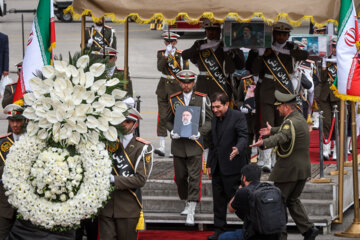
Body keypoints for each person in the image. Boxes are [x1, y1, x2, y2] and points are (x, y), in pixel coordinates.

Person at [250, 90, 319, 240]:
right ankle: (308, 229)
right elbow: (287, 131)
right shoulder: (298, 119)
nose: (277, 108)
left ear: (286, 107)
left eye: (279, 106)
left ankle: (280, 235)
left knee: (278, 203)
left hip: (289, 171)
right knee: (292, 200)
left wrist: (264, 143)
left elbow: (282, 136)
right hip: (302, 170)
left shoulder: (289, 123)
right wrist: (272, 130)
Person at [251, 21, 308, 172]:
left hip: (284, 91)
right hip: (267, 90)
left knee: (281, 124)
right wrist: (260, 54)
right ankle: (266, 159)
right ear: (273, 34)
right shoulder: (266, 47)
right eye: (278, 33)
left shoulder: (292, 48)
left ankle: (278, 157)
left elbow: (304, 55)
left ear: (288, 35)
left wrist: (284, 51)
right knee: (266, 123)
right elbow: (254, 70)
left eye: (285, 34)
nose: (281, 37)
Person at [99, 106, 153, 240]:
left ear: (135, 124)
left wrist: (114, 180)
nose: (123, 124)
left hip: (128, 208)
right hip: (107, 206)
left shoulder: (142, 147)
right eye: (121, 120)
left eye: (128, 122)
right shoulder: (106, 143)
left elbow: (140, 179)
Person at [167, 70, 212, 226]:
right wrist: (172, 131)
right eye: (184, 82)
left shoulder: (202, 98)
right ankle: (186, 200)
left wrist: (200, 132)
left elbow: (209, 121)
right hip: (179, 145)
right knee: (180, 177)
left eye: (189, 82)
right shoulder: (173, 99)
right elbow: (167, 120)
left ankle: (191, 209)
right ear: (180, 83)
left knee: (194, 177)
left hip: (195, 144)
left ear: (193, 83)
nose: (186, 85)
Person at [206, 92, 248, 240]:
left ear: (226, 104)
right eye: (213, 107)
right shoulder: (214, 119)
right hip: (217, 167)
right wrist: (209, 164)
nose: (215, 110)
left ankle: (252, 225)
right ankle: (219, 230)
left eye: (218, 107)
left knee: (237, 201)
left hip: (233, 167)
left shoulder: (237, 116)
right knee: (218, 202)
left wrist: (238, 148)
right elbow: (213, 143)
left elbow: (244, 136)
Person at [218, 164, 281, 240]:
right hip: (274, 235)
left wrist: (239, 190)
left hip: (253, 235)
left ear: (244, 178)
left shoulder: (244, 191)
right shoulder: (273, 189)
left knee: (223, 237)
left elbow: (230, 208)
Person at [182, 19, 235, 101]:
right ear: (205, 31)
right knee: (202, 109)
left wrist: (228, 51)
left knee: (219, 109)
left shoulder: (224, 45)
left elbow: (231, 68)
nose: (211, 32)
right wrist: (199, 48)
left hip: (220, 83)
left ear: (220, 31)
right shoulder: (199, 44)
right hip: (203, 84)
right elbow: (185, 55)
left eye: (214, 30)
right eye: (209, 30)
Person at [155, 32, 188, 157]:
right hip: (163, 87)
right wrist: (166, 55)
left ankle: (175, 147)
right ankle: (162, 146)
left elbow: (183, 72)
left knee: (176, 118)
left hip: (176, 88)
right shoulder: (161, 53)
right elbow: (159, 67)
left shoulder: (181, 54)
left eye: (171, 42)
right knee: (163, 117)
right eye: (167, 41)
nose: (169, 43)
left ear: (175, 42)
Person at [0, 104, 26, 240]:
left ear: (25, 121)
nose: (15, 124)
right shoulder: (2, 143)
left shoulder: (31, 142)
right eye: (12, 121)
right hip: (5, 206)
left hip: (27, 208)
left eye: (19, 120)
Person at [318, 37, 339, 160]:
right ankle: (326, 149)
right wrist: (324, 64)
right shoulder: (327, 59)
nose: (334, 49)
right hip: (325, 96)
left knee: (338, 122)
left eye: (336, 47)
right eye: (333, 47)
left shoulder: (344, 60)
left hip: (338, 96)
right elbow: (322, 78)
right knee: (326, 122)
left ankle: (336, 149)